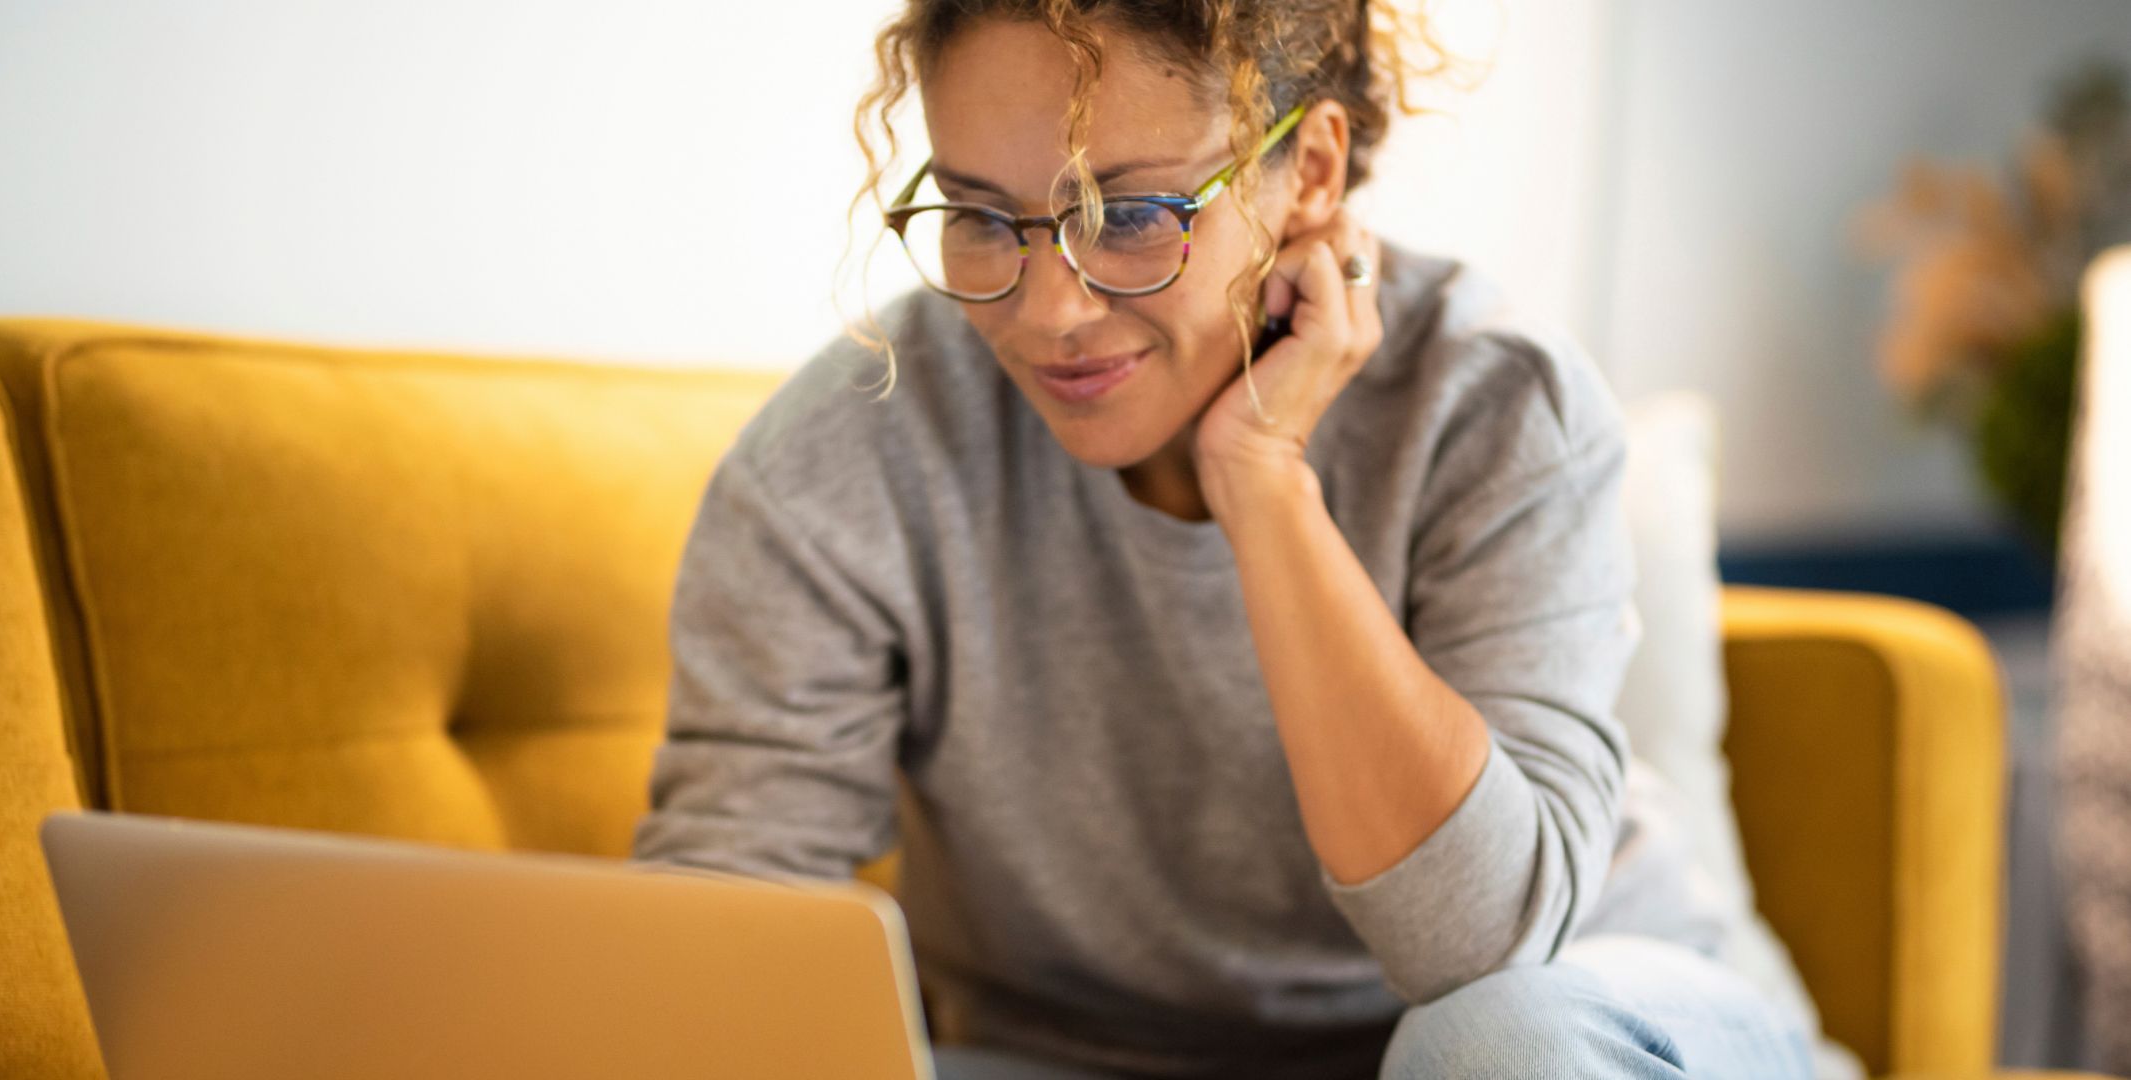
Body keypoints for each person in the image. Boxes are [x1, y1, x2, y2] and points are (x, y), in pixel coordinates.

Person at [630, 2, 1818, 1077]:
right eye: (983, 219)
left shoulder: (1496, 403)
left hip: (1580, 1015)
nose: (1050, 312)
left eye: (1134, 214)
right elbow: (728, 934)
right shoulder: (846, 452)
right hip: (1086, 1061)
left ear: (1306, 172)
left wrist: (1261, 482)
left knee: (1496, 1048)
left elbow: (1481, 946)